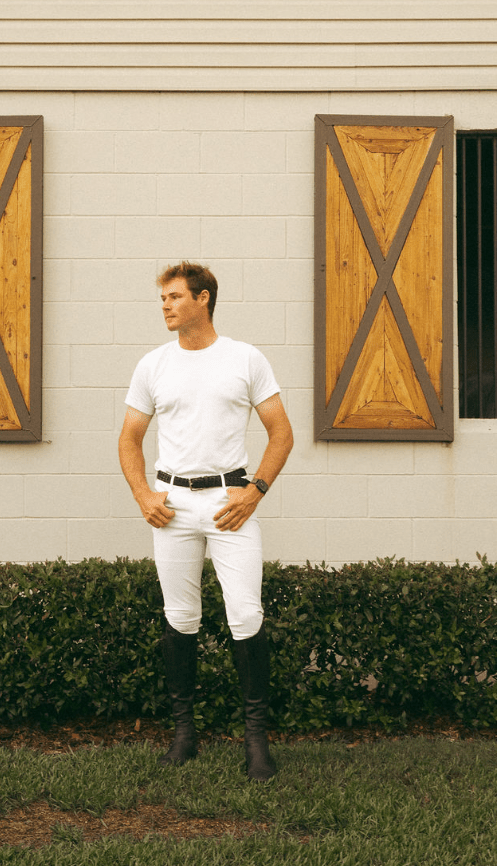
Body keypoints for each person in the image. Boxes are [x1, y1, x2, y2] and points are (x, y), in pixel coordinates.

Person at [118, 261, 294, 781]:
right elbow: (129, 439)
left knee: (246, 615)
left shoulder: (244, 359)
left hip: (227, 503)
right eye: (163, 299)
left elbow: (281, 432)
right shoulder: (153, 365)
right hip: (172, 505)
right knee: (180, 617)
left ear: (203, 299)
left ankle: (256, 742)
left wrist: (255, 492)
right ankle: (183, 736)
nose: (165, 306)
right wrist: (144, 495)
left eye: (174, 297)